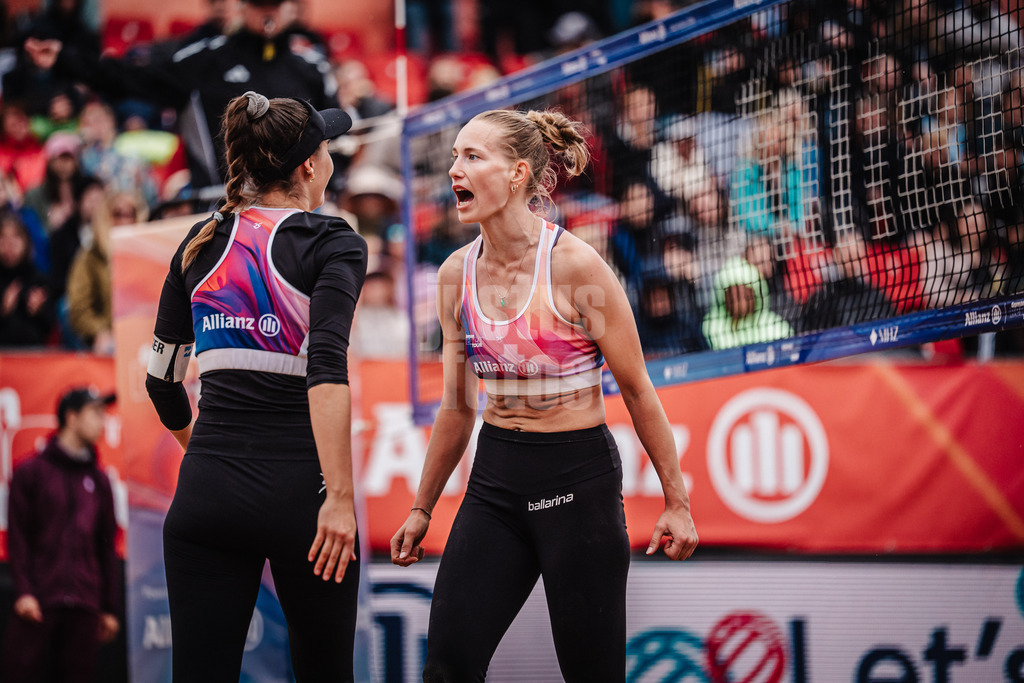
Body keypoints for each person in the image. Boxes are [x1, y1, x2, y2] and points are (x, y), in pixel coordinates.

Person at [390, 109, 698, 681]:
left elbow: (637, 389)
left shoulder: (576, 266)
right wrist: (421, 507)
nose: (454, 169)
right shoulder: (455, 273)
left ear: (517, 174)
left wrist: (676, 502)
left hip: (576, 482)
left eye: (472, 157)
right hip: (496, 480)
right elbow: (457, 406)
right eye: (455, 156)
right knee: (447, 667)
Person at [145, 91, 366, 682]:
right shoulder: (333, 240)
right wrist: (340, 500)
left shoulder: (199, 240)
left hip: (207, 493)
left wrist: (213, 459)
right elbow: (326, 369)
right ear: (308, 167)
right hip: (303, 498)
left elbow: (162, 382)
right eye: (328, 150)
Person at [22, 0, 338, 195]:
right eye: (258, 2)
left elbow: (337, 136)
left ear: (290, 8)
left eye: (276, 2)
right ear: (241, 5)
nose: (267, 11)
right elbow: (131, 78)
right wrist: (66, 60)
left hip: (297, 209)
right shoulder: (205, 61)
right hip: (222, 206)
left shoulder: (312, 68)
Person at [2, 386, 120, 683]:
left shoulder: (100, 480)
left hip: (85, 604)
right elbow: (17, 538)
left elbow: (106, 546)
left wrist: (108, 607)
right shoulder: (30, 472)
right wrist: (26, 591)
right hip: (39, 602)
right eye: (95, 413)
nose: (102, 422)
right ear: (71, 417)